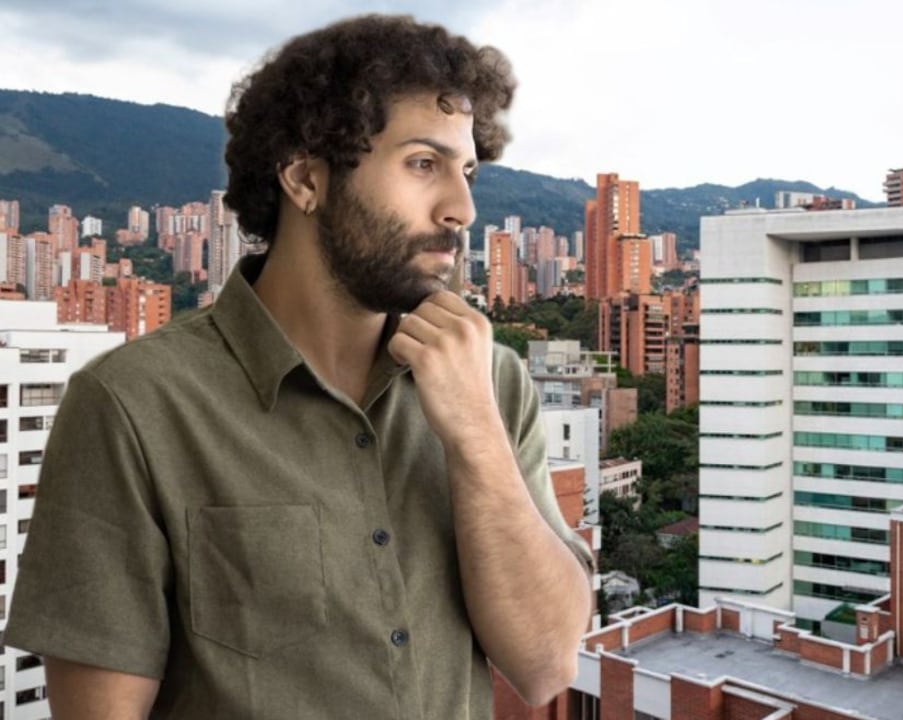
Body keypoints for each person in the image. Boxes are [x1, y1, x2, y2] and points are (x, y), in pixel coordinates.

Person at [6, 14, 594, 719]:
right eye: (422, 164)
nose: (461, 208)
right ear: (305, 178)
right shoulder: (134, 406)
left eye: (466, 172)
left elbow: (545, 665)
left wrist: (475, 436)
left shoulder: (491, 382)